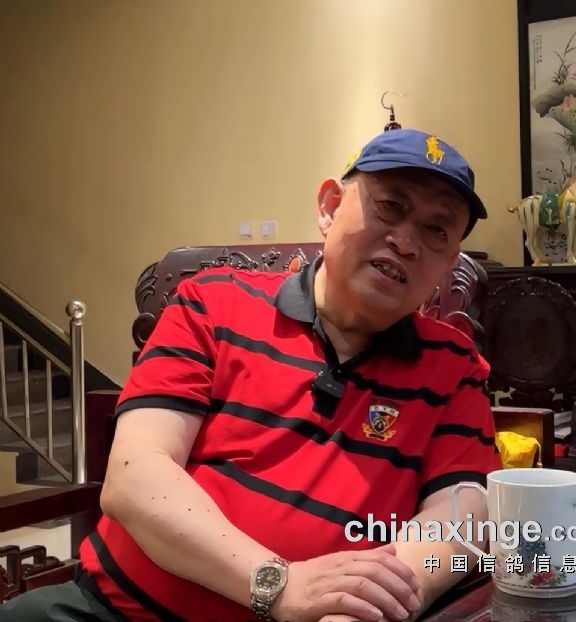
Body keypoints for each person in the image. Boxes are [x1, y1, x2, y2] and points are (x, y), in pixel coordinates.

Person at [0, 128, 502, 622]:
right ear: (330, 206)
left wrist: (367, 604)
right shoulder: (212, 303)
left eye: (437, 231)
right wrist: (278, 584)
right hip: (115, 611)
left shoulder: (452, 365)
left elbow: (464, 512)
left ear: (447, 264)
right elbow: (136, 475)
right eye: (391, 206)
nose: (407, 242)